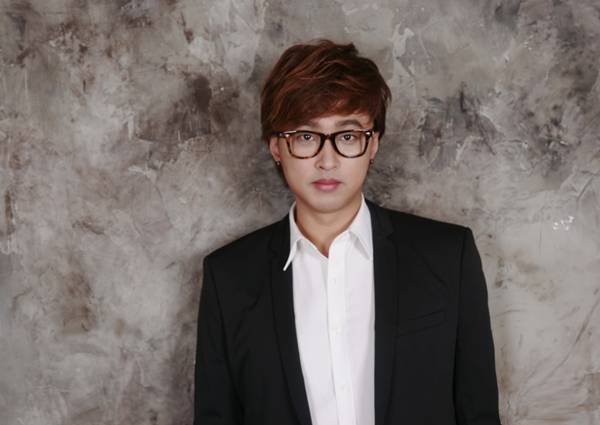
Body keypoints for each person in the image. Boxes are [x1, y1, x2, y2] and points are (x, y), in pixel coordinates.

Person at [194, 39, 501, 425]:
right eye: (306, 136)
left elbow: (479, 414)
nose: (327, 160)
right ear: (276, 147)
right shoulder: (229, 277)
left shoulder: (448, 257)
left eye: (348, 136)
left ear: (373, 144)